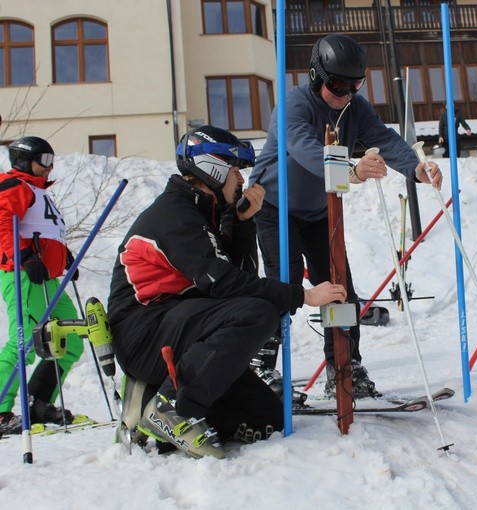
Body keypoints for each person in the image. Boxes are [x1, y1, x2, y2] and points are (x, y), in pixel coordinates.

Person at [107, 125, 344, 459]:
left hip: (181, 330)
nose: (240, 178)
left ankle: (150, 407)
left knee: (268, 420)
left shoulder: (206, 212)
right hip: (144, 333)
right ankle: (173, 405)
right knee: (257, 312)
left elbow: (239, 278)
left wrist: (244, 221)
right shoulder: (175, 215)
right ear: (210, 167)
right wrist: (302, 296)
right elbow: (226, 285)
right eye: (234, 169)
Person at [250, 34, 443, 400]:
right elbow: (306, 150)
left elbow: (384, 139)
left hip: (319, 211)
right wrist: (352, 173)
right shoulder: (293, 105)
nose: (346, 93)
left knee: (340, 290)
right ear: (316, 76)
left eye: (355, 84)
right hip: (275, 207)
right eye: (338, 84)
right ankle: (260, 366)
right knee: (286, 285)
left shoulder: (355, 107)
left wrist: (417, 169)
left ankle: (345, 364)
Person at [0, 136, 83, 436]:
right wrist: (23, 255)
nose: (49, 168)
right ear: (24, 160)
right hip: (24, 275)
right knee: (24, 343)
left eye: (52, 161)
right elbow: (1, 220)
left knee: (70, 340)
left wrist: (64, 258)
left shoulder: (38, 191)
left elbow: (44, 232)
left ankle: (38, 402)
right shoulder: (15, 185)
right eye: (43, 161)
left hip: (47, 278)